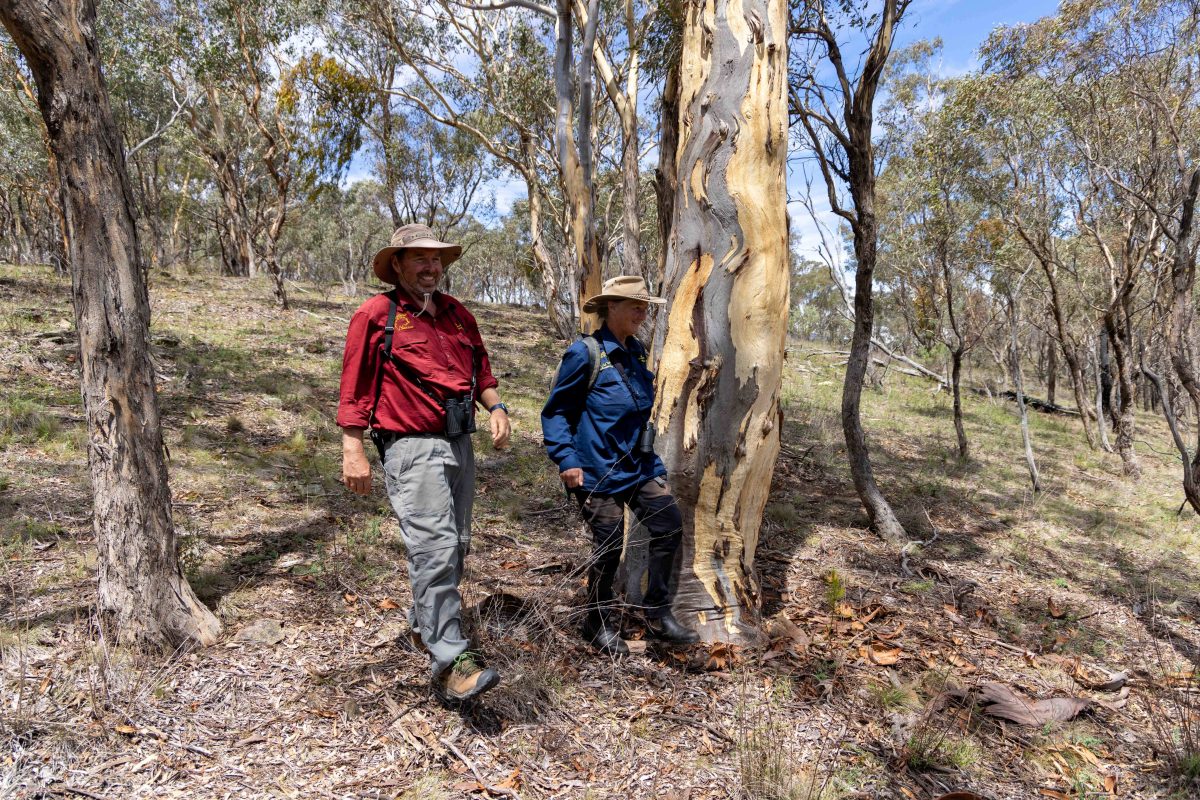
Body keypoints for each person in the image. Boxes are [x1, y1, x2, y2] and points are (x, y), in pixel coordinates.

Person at [337, 224, 511, 702]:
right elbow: (354, 386)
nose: (431, 267)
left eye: (436, 259)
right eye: (419, 259)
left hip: (460, 443)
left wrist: (496, 408)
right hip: (411, 446)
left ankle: (423, 628)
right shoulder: (377, 315)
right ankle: (452, 660)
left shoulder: (457, 315)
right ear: (397, 264)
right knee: (434, 548)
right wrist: (352, 448)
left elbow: (481, 372)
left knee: (457, 545)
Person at [541, 275, 700, 655]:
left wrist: (653, 467)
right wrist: (566, 460)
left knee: (668, 524)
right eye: (635, 306)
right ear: (610, 306)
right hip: (596, 470)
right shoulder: (585, 354)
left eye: (645, 307)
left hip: (637, 467)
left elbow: (639, 416)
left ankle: (657, 613)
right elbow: (556, 412)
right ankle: (595, 623)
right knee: (609, 546)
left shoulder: (636, 352)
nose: (642, 313)